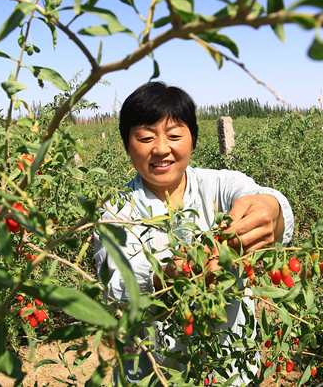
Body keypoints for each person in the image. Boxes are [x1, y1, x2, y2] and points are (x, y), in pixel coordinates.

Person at [93, 82, 294, 385]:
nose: (161, 148)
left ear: (193, 141)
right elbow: (119, 290)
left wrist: (270, 209)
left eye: (174, 136)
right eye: (146, 137)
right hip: (156, 373)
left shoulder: (220, 184)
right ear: (127, 145)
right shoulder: (115, 213)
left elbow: (262, 200)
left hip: (232, 369)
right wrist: (168, 277)